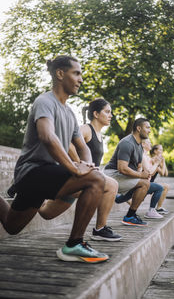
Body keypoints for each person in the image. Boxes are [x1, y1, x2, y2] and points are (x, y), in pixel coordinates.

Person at [0, 55, 109, 263]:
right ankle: (74, 244)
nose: (81, 79)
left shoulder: (69, 112)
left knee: (11, 226)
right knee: (96, 180)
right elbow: (47, 137)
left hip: (46, 175)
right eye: (76, 73)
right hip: (32, 172)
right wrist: (75, 169)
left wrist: (87, 163)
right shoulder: (45, 101)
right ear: (60, 74)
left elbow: (82, 147)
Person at [43, 98, 121, 241]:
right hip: (74, 177)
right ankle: (100, 229)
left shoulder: (100, 135)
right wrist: (80, 163)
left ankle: (29, 192)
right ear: (96, 114)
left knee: (46, 213)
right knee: (112, 185)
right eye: (107, 112)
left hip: (84, 180)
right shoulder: (86, 129)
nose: (111, 115)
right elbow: (66, 142)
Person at [104, 118, 151, 226]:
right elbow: (122, 168)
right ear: (139, 128)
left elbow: (138, 167)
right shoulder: (127, 143)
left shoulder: (139, 146)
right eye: (147, 127)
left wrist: (145, 174)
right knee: (144, 184)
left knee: (148, 185)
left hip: (121, 175)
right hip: (112, 174)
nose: (149, 130)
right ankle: (130, 216)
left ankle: (121, 201)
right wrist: (141, 176)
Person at [141, 139, 164, 219]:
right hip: (143, 182)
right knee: (160, 188)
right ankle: (152, 211)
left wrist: (162, 162)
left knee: (120, 199)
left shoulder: (147, 157)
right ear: (143, 144)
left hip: (146, 181)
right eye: (149, 142)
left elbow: (164, 173)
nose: (151, 143)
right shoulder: (144, 156)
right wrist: (157, 163)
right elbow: (150, 172)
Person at [150, 144, 169, 214]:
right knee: (165, 186)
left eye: (162, 150)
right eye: (160, 149)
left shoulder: (158, 160)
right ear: (155, 151)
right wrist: (163, 162)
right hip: (147, 182)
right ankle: (155, 208)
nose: (162, 151)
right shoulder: (153, 160)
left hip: (151, 182)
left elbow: (166, 174)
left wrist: (163, 162)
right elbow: (162, 173)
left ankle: (159, 208)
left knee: (166, 186)